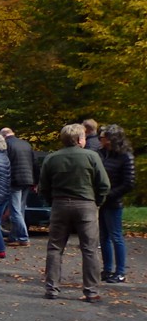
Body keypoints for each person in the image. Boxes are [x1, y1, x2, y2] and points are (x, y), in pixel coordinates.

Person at [39, 123, 110, 301]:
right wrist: (97, 202)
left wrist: (52, 201)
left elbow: (43, 186)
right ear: (79, 139)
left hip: (59, 204)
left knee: (55, 248)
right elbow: (104, 184)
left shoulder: (52, 158)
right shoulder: (92, 156)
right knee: (89, 249)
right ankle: (91, 291)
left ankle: (52, 288)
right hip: (86, 205)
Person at [98, 124, 136, 283]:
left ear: (111, 139)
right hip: (101, 201)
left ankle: (120, 271)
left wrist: (110, 195)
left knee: (116, 236)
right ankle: (107, 269)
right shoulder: (102, 154)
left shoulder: (125, 156)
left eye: (103, 137)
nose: (100, 139)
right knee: (104, 237)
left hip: (113, 202)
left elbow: (129, 183)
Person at [0, 128, 38, 246]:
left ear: (3, 136)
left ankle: (23, 237)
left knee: (15, 210)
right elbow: (35, 163)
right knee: (20, 210)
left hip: (14, 180)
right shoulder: (26, 144)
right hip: (27, 180)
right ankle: (14, 236)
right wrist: (36, 181)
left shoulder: (6, 145)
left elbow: (4, 163)